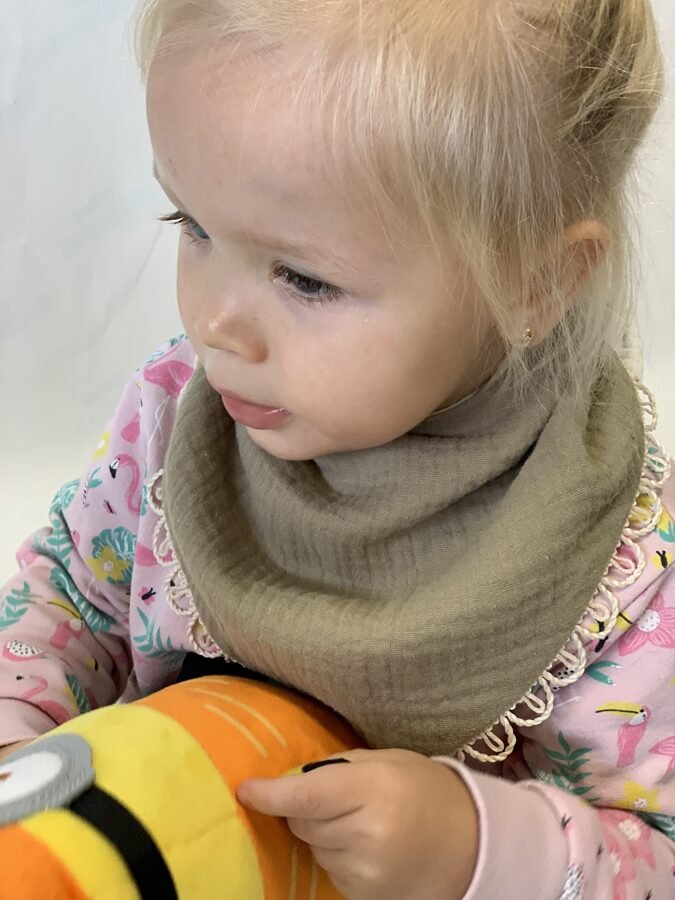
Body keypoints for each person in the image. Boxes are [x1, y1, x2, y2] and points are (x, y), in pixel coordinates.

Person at [1, 1, 674, 897]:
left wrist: (477, 847)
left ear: (534, 283)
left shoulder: (623, 568)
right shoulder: (176, 416)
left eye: (304, 277)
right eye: (191, 228)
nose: (211, 324)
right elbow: (70, 591)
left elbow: (656, 850)